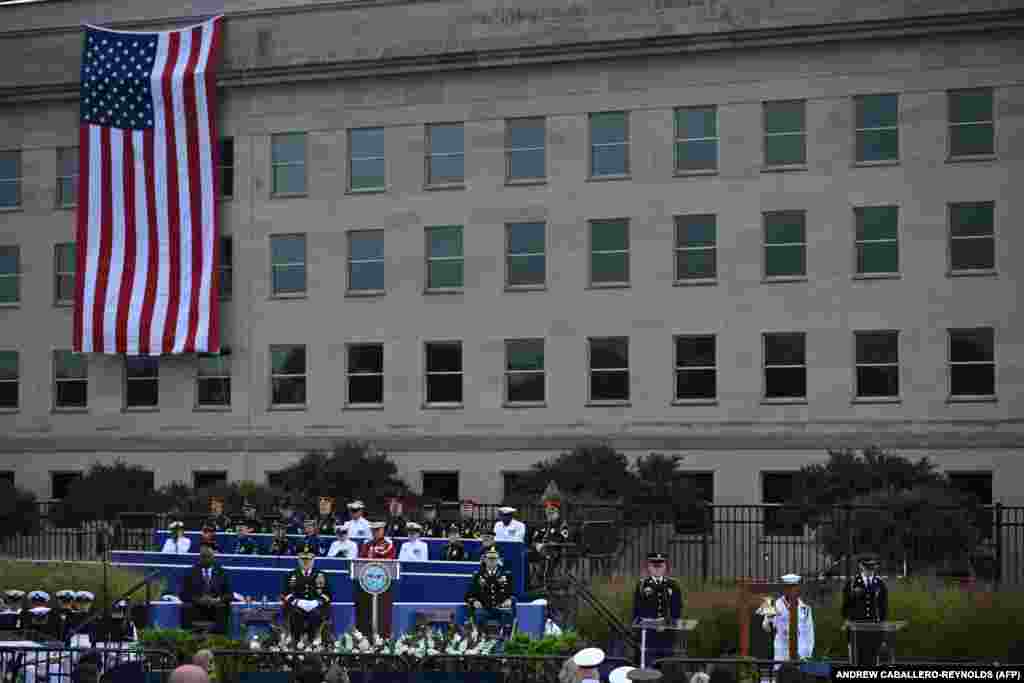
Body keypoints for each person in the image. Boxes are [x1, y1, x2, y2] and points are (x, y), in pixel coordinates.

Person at [632, 552, 683, 663]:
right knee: (649, 666)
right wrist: (651, 623)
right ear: (649, 567)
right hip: (649, 635)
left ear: (665, 567)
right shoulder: (642, 585)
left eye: (660, 566)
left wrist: (667, 622)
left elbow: (677, 610)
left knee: (667, 666)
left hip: (667, 635)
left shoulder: (673, 585)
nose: (657, 569)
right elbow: (637, 611)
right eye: (654, 566)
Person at [841, 554, 888, 666]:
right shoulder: (852, 583)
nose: (870, 570)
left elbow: (883, 609)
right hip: (856, 631)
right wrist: (847, 620)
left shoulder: (880, 584)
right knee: (857, 662)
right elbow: (845, 607)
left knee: (872, 662)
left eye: (872, 566)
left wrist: (882, 631)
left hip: (874, 630)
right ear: (861, 566)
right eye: (867, 566)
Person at [282, 544, 333, 643]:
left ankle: (315, 642)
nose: (306, 562)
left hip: (316, 607)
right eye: (303, 559)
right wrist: (297, 602)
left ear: (313, 560)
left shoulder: (321, 575)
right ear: (298, 559)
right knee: (295, 615)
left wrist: (317, 602)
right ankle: (295, 642)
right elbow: (286, 593)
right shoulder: (291, 575)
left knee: (317, 615)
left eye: (308, 559)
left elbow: (328, 594)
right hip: (296, 607)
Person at [762, 574, 814, 668]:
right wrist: (769, 618)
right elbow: (766, 627)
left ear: (798, 588)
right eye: (788, 587)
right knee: (781, 675)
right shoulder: (772, 603)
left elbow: (809, 632)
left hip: (800, 651)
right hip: (782, 650)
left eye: (794, 587)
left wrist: (807, 654)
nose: (791, 590)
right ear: (784, 588)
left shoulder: (805, 607)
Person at [181, 541, 233, 635]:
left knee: (222, 608)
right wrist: (199, 600)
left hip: (215, 608)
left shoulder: (221, 572)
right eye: (203, 556)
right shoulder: (191, 572)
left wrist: (217, 600)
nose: (205, 559)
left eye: (208, 556)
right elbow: (183, 594)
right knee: (187, 607)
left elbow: (229, 595)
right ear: (199, 557)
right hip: (196, 607)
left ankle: (219, 640)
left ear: (213, 557)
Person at [465, 547, 515, 631]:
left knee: (508, 614)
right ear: (485, 560)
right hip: (484, 608)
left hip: (501, 608)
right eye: (489, 558)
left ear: (498, 560)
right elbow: (468, 595)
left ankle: (506, 639)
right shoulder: (477, 575)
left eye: (494, 559)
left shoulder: (506, 575)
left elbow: (513, 593)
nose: (492, 561)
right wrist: (474, 601)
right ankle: (480, 639)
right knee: (479, 614)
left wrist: (509, 600)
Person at [531, 485, 572, 585]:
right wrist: (537, 545)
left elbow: (563, 538)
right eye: (548, 510)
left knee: (548, 555)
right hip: (539, 550)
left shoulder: (562, 524)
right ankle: (528, 583)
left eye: (552, 510)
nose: (549, 512)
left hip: (555, 551)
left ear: (557, 512)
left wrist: (549, 544)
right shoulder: (543, 524)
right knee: (524, 556)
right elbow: (535, 538)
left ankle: (545, 582)